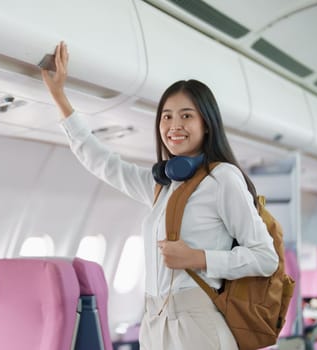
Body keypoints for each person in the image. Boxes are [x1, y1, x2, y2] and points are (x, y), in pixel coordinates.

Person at [41, 41, 278, 350]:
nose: (174, 125)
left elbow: (265, 257)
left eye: (186, 116)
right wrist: (60, 97)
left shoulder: (222, 179)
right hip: (154, 324)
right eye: (166, 116)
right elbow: (103, 163)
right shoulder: (163, 185)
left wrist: (198, 258)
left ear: (206, 125)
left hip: (199, 327)